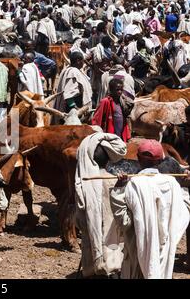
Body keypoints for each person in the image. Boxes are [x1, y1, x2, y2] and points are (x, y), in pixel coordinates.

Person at [111, 139, 190, 279]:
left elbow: (124, 222)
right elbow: (184, 213)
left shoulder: (134, 184)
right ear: (161, 161)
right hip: (164, 254)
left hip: (137, 254)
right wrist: (184, 186)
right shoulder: (172, 184)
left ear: (138, 159)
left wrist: (118, 189)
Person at [75, 132, 127, 278]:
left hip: (92, 244)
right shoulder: (115, 182)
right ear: (109, 159)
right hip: (114, 243)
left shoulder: (83, 184)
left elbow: (79, 218)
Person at [53, 51, 92, 117]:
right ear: (78, 61)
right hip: (73, 111)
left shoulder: (70, 69)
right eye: (83, 61)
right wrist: (76, 109)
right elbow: (69, 94)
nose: (84, 63)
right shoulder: (73, 72)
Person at [92, 78, 131, 142]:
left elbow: (125, 120)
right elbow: (97, 119)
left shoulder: (122, 102)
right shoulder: (105, 102)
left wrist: (127, 135)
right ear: (111, 90)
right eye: (117, 90)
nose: (120, 92)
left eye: (121, 90)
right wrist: (97, 135)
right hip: (109, 136)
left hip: (121, 136)